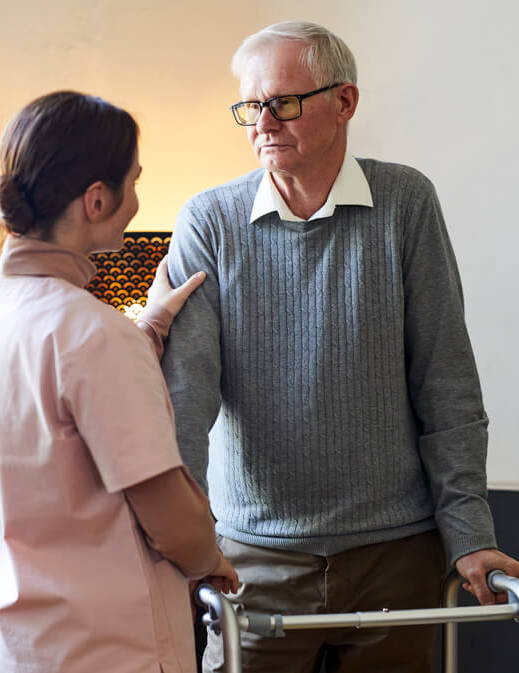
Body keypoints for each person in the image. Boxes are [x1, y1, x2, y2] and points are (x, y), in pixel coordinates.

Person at [161, 20, 519, 673]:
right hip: (253, 560)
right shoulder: (208, 220)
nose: (263, 123)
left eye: (283, 103)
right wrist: (184, 551)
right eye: (250, 106)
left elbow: (446, 382)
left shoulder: (405, 202)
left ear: (345, 102)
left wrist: (470, 532)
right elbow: (185, 401)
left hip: (397, 555)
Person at [0, 90, 238, 673]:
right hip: (111, 646)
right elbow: (168, 515)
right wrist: (211, 559)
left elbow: (57, 419)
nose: (137, 200)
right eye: (134, 182)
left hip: (20, 643)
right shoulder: (95, 335)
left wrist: (145, 330)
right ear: (98, 199)